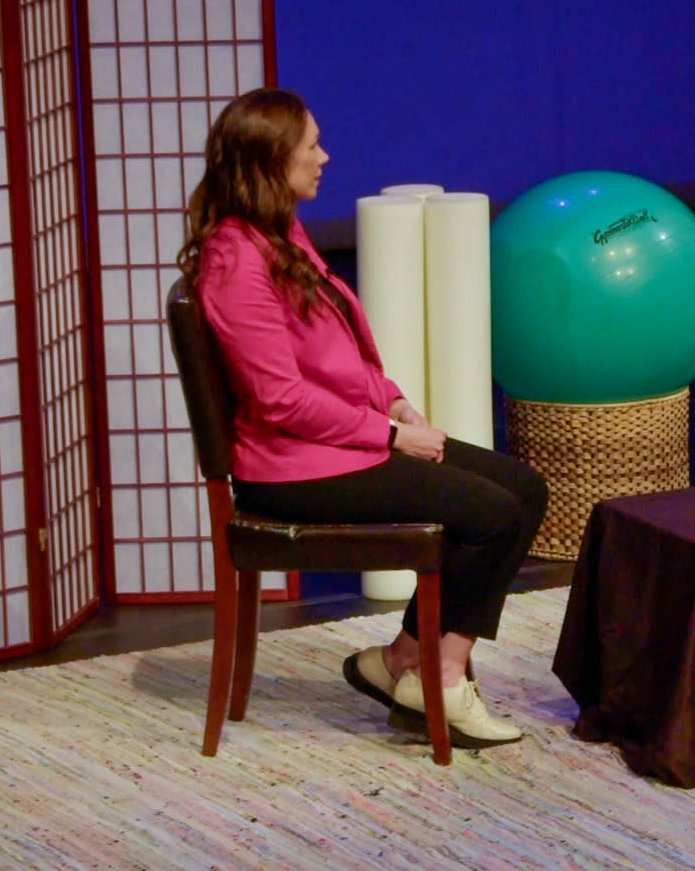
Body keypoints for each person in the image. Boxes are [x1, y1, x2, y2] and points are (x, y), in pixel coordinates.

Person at [177, 88, 548, 747]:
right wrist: (391, 435)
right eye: (310, 146)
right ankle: (441, 677)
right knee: (488, 515)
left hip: (339, 443)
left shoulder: (279, 229)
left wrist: (393, 399)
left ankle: (408, 660)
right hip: (291, 471)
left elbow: (339, 347)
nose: (325, 156)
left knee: (522, 489)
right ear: (268, 162)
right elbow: (280, 400)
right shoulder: (235, 263)